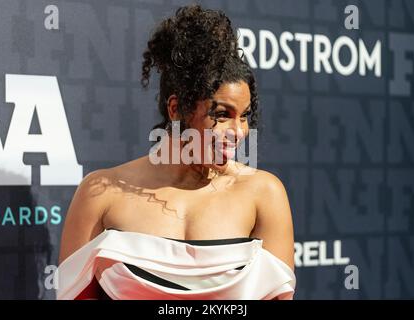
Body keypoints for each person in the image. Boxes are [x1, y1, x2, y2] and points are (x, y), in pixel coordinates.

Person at [56, 4, 295, 300]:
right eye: (222, 114)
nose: (239, 131)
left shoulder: (264, 193)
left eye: (244, 116)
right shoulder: (100, 194)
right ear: (176, 109)